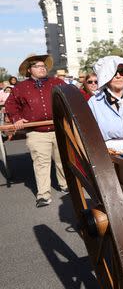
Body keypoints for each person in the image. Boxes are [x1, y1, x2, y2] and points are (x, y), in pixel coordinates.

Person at [4, 53, 68, 207]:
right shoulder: (20, 88)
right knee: (41, 164)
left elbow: (70, 98)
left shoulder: (57, 82)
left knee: (63, 161)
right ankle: (44, 195)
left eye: (43, 66)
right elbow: (11, 106)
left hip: (59, 129)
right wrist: (16, 118)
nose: (42, 68)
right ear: (29, 70)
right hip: (36, 133)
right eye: (37, 66)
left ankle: (66, 186)